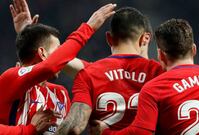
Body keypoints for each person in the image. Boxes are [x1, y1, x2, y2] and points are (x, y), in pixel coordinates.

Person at [93, 19, 199, 135]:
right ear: (194, 49)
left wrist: (105, 132)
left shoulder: (154, 89)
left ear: (160, 55)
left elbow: (141, 133)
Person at [0, 2, 116, 135]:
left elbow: (92, 71)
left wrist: (28, 33)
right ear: (43, 53)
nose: (63, 57)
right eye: (58, 50)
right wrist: (88, 28)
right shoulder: (11, 78)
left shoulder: (60, 94)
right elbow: (49, 66)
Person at [55, 7, 164, 135]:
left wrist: (88, 27)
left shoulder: (90, 73)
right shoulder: (160, 73)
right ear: (145, 39)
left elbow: (73, 127)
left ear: (108, 38)